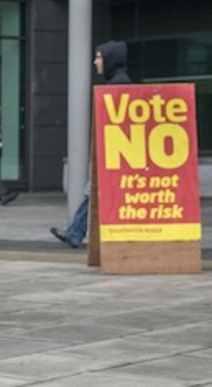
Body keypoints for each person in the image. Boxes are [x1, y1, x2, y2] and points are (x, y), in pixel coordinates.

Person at [51, 40, 132, 248]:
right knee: (94, 192)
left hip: (117, 151)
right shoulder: (117, 81)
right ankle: (75, 232)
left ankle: (76, 233)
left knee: (96, 191)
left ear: (110, 60)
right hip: (116, 150)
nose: (95, 62)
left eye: (99, 57)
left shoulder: (119, 84)